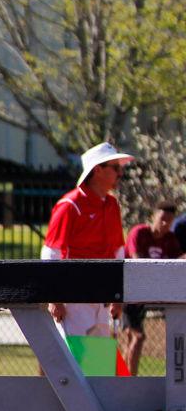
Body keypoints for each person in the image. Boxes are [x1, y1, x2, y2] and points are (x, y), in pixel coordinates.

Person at [42, 142, 131, 343]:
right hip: (74, 299)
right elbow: (50, 253)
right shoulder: (70, 205)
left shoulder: (111, 205)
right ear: (97, 170)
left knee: (98, 361)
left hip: (101, 297)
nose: (120, 173)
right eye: (115, 168)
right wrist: (55, 297)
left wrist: (117, 295)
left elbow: (118, 251)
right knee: (74, 360)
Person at [123, 199, 183, 375]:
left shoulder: (170, 239)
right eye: (162, 219)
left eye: (169, 221)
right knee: (137, 337)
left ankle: (126, 377)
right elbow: (136, 261)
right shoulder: (139, 233)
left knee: (134, 339)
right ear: (152, 216)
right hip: (131, 292)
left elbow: (178, 262)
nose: (164, 224)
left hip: (153, 293)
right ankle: (130, 381)